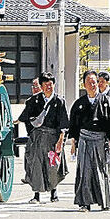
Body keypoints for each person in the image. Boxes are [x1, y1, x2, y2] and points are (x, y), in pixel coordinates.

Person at [68, 70, 110, 211]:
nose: (93, 84)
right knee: (85, 172)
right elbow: (73, 125)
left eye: (94, 81)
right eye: (89, 82)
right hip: (84, 139)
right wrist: (73, 143)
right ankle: (85, 203)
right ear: (84, 85)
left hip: (100, 139)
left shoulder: (106, 101)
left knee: (101, 170)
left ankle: (104, 202)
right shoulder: (79, 104)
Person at [16, 72, 69, 203]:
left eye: (50, 84)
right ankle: (36, 194)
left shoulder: (59, 102)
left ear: (54, 85)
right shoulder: (33, 101)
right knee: (36, 165)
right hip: (37, 138)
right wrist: (31, 131)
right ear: (41, 86)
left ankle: (54, 192)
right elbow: (25, 118)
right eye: (45, 85)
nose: (48, 87)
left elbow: (64, 123)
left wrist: (61, 139)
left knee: (52, 166)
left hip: (53, 138)